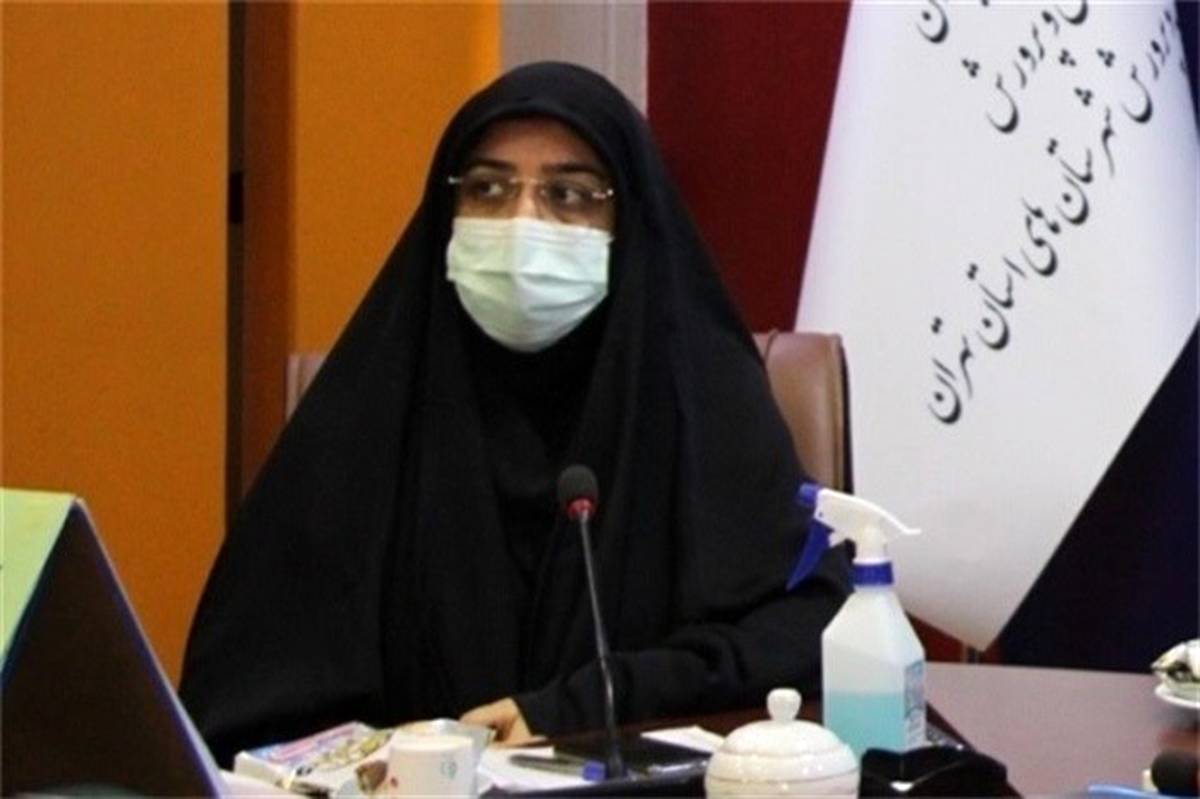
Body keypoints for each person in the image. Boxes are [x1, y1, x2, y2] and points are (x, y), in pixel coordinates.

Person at [179, 61, 850, 767]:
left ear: (629, 224)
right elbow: (239, 704)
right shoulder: (369, 416)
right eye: (488, 189)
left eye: (570, 195)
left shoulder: (697, 405)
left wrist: (593, 701)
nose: (523, 225)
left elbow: (814, 630)